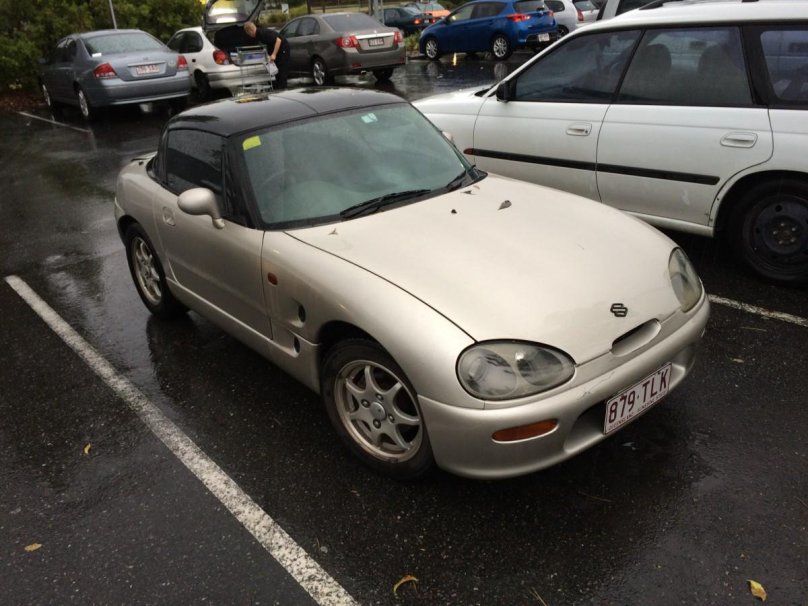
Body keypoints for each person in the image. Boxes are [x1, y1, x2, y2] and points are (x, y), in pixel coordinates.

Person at [244, 21, 290, 90]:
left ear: (250, 31)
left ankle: (283, 89)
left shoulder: (262, 33)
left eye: (248, 33)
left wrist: (274, 54)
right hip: (277, 50)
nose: (249, 35)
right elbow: (268, 44)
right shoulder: (258, 35)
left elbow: (278, 40)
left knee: (282, 72)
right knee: (276, 72)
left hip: (283, 49)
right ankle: (278, 88)